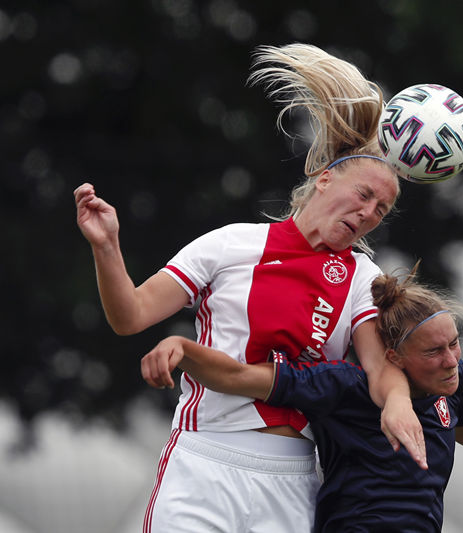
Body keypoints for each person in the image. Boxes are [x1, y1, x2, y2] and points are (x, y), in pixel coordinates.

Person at [74, 43, 426, 533]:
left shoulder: (363, 277)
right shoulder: (233, 243)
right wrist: (107, 246)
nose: (368, 213)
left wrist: (398, 401)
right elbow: (130, 315)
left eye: (381, 210)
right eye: (363, 194)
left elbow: (378, 368)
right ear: (325, 180)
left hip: (292, 478)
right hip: (205, 458)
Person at [141, 265, 463, 532]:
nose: (450, 359)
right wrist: (182, 348)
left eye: (454, 343)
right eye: (434, 351)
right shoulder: (346, 387)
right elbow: (240, 376)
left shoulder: (452, 383)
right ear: (393, 357)